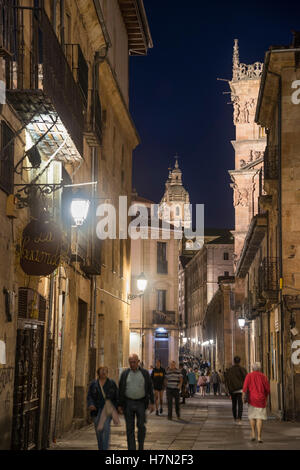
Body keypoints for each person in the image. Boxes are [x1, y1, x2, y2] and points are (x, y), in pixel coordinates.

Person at [118, 353, 154, 450]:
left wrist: (152, 402)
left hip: (141, 403)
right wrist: (120, 405)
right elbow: (121, 388)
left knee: (141, 426)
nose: (132, 364)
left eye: (134, 362)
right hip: (128, 403)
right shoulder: (125, 374)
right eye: (130, 362)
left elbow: (150, 387)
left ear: (138, 362)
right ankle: (131, 448)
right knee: (129, 428)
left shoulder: (144, 373)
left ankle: (140, 446)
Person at [87, 366, 119, 450]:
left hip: (107, 410)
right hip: (96, 411)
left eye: (105, 371)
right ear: (98, 373)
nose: (104, 372)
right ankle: (101, 448)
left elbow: (117, 396)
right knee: (98, 431)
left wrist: (116, 407)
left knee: (106, 429)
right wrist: (91, 404)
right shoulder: (93, 384)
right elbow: (89, 396)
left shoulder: (111, 383)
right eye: (102, 371)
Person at [242, 362, 270, 443]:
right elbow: (267, 389)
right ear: (260, 368)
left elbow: (244, 388)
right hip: (261, 400)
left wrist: (243, 397)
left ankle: (253, 433)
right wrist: (266, 398)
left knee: (252, 417)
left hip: (252, 400)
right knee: (259, 418)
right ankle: (259, 437)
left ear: (252, 368)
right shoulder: (263, 376)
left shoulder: (249, 376)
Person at [225, 356, 247, 424]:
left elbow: (227, 381)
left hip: (233, 390)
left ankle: (235, 418)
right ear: (239, 361)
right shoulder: (243, 369)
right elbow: (246, 379)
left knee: (234, 404)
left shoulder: (230, 370)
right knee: (240, 405)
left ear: (234, 361)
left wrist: (228, 390)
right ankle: (239, 418)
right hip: (240, 390)